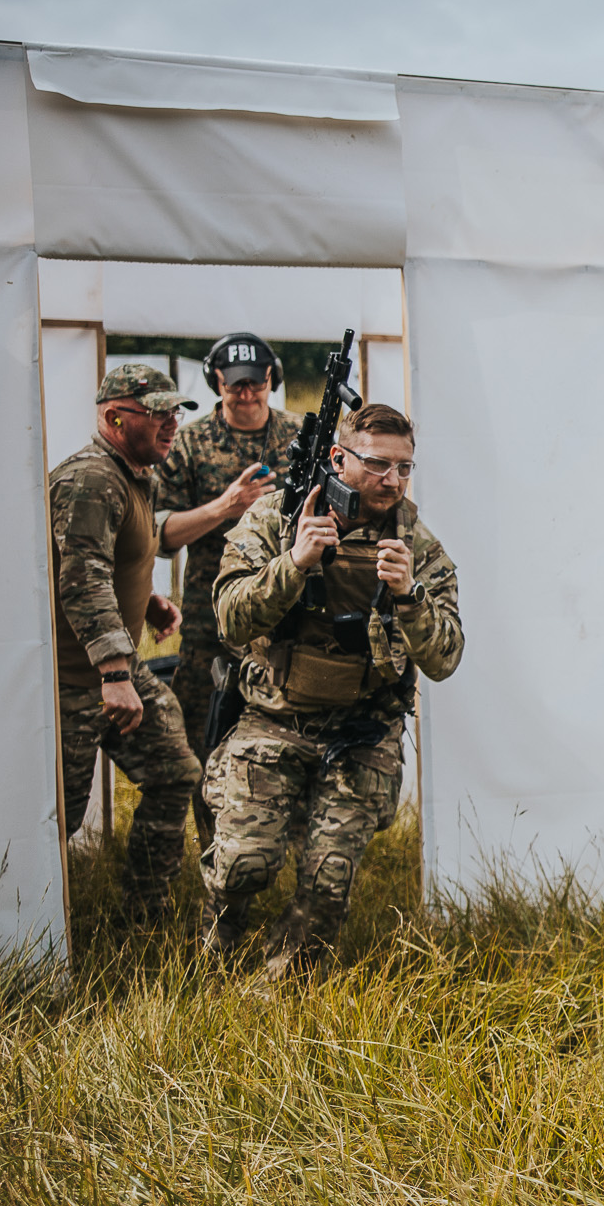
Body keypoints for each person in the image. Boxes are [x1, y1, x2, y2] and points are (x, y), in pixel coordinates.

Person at [200, 402, 464, 978]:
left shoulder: (416, 545)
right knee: (245, 864)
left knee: (327, 884)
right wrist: (293, 565)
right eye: (376, 464)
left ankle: (277, 994)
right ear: (338, 458)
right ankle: (215, 950)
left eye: (404, 468)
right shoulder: (279, 517)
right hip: (274, 720)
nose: (390, 480)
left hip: (361, 734)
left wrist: (409, 596)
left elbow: (445, 658)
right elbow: (229, 621)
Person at [50, 364, 205, 928]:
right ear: (115, 417)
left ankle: (144, 918)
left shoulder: (134, 473)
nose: (172, 425)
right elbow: (82, 576)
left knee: (175, 771)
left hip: (116, 668)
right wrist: (115, 672)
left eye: (175, 413)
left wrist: (151, 603)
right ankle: (30, 932)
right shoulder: (91, 480)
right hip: (77, 680)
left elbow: (120, 556)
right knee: (57, 822)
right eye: (159, 414)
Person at [153, 333, 304, 849]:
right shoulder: (190, 443)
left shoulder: (299, 436)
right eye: (235, 386)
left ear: (272, 380)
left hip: (283, 614)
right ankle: (214, 851)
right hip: (209, 619)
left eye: (256, 384)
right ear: (217, 383)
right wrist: (224, 507)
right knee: (202, 736)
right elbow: (160, 535)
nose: (247, 395)